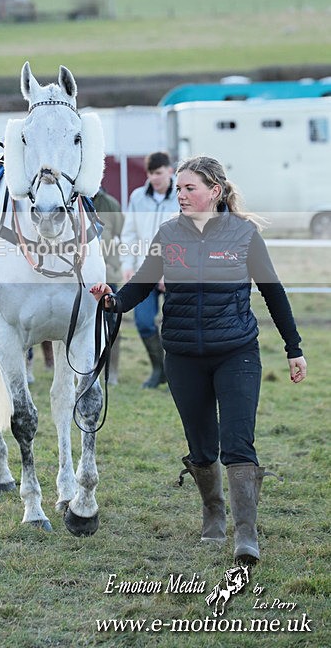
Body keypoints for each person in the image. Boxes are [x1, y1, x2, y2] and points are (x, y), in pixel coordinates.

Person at [91, 155, 307, 565]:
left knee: (239, 442)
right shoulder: (169, 233)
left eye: (190, 188)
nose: (182, 196)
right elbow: (141, 282)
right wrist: (113, 301)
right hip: (183, 355)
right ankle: (213, 512)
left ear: (215, 191)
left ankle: (246, 532)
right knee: (202, 445)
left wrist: (293, 348)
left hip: (237, 352)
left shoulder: (244, 234)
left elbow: (274, 292)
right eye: (179, 189)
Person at [120, 151, 178, 388]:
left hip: (176, 271)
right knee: (143, 321)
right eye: (151, 173)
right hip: (145, 270)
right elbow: (130, 233)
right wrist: (127, 265)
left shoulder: (182, 196)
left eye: (159, 173)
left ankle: (177, 373)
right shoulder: (138, 198)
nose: (154, 178)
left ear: (170, 171)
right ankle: (159, 369)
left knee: (174, 326)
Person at [93, 184, 124, 384]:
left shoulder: (110, 204)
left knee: (111, 323)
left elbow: (123, 233)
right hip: (79, 276)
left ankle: (112, 369)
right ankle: (91, 366)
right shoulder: (72, 202)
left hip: (108, 273)